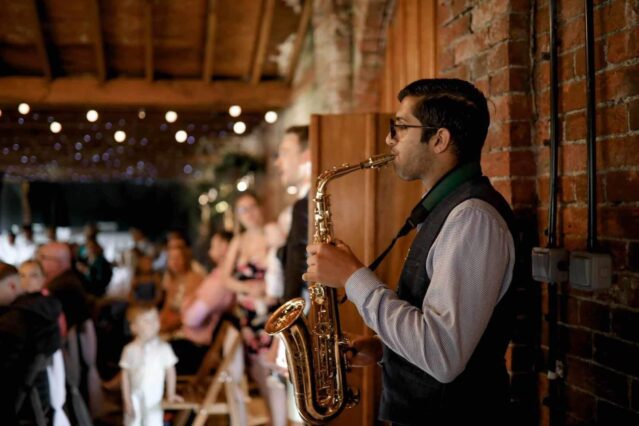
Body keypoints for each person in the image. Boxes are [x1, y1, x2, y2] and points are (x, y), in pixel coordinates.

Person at [303, 79, 521, 425]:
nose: (390, 139)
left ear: (439, 139)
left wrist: (352, 277)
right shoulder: (449, 211)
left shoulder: (472, 220)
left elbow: (444, 355)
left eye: (400, 127)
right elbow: (438, 330)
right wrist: (386, 349)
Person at [120, 304, 182, 426]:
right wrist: (126, 400)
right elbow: (125, 377)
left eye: (155, 319)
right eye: (146, 321)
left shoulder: (164, 348)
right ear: (134, 327)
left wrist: (171, 393)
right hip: (134, 397)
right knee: (133, 422)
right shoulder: (129, 350)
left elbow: (170, 371)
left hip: (154, 400)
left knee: (154, 422)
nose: (152, 323)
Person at [274, 125, 311, 303]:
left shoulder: (306, 205)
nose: (277, 162)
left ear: (307, 155)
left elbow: (298, 270)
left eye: (285, 152)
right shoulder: (296, 207)